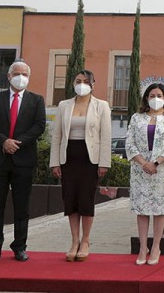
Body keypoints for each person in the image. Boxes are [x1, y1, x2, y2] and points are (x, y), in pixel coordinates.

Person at [0, 61, 46, 263]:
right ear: (8, 76)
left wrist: (17, 143)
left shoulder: (36, 100)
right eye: (16, 73)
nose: (20, 76)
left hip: (23, 159)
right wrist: (3, 141)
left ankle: (20, 247)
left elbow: (39, 126)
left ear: (29, 77)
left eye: (24, 73)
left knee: (22, 206)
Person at [50, 69, 112, 262]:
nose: (82, 84)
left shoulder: (101, 106)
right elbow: (57, 135)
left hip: (90, 160)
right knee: (71, 200)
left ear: (93, 84)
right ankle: (74, 241)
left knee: (86, 200)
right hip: (68, 158)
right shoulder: (64, 105)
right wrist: (55, 162)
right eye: (78, 81)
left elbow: (106, 136)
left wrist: (104, 163)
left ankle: (85, 240)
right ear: (73, 83)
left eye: (86, 81)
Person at [125, 83, 164, 265]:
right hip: (140, 170)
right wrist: (144, 163)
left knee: (159, 209)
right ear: (146, 98)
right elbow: (130, 143)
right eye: (151, 95)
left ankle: (156, 246)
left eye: (159, 95)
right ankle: (143, 247)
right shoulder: (136, 118)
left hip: (162, 170)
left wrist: (156, 162)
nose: (155, 98)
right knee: (141, 209)